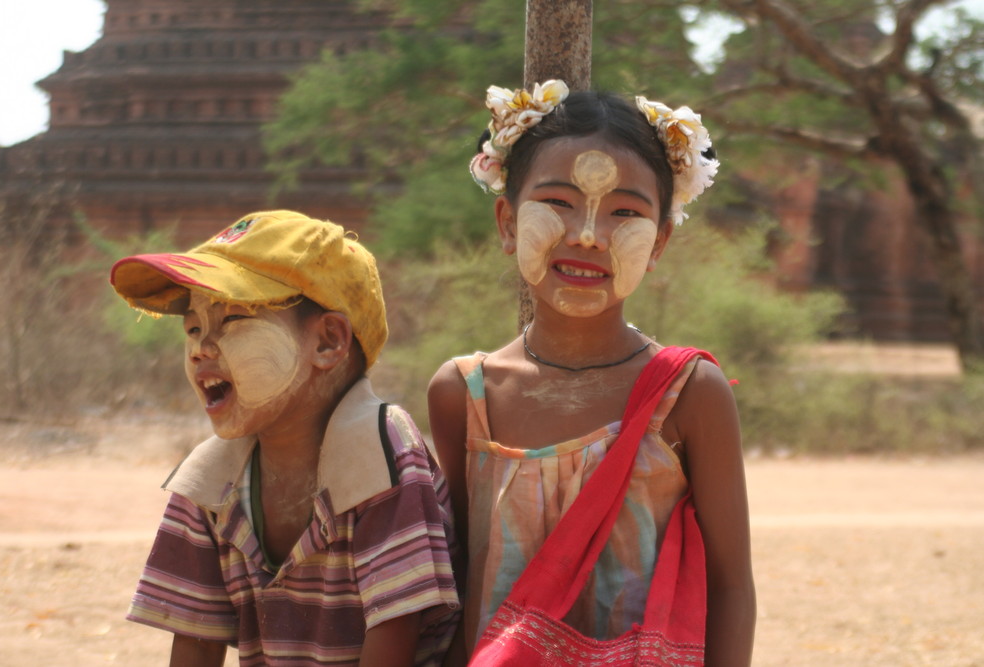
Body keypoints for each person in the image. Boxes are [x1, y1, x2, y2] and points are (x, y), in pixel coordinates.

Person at [428, 81, 755, 665]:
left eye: (625, 213)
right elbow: (454, 578)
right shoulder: (464, 394)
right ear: (506, 222)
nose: (587, 234)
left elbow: (732, 587)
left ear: (658, 242)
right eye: (557, 202)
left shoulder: (688, 395)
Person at [110, 210, 460, 667]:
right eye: (193, 327)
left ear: (328, 342)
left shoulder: (383, 452)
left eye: (232, 319)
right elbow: (195, 644)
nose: (199, 349)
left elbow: (395, 636)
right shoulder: (211, 480)